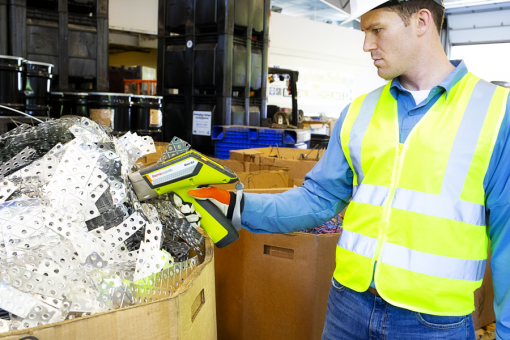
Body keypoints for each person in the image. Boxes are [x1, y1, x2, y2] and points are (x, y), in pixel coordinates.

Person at [189, 0, 510, 339]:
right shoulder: (360, 111)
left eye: (377, 30)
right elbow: (317, 200)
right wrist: (231, 205)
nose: (367, 45)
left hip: (434, 325)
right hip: (348, 309)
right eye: (364, 32)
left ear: (421, 21)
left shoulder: (495, 112)